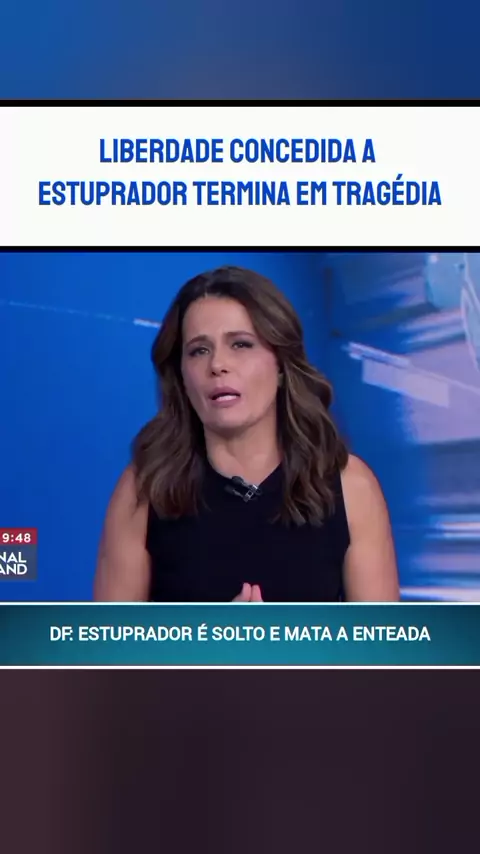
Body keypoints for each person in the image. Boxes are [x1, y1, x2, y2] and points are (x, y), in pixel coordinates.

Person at [94, 265, 399, 602]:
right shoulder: (144, 489)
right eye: (199, 350)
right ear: (180, 375)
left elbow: (382, 637)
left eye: (240, 344)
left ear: (280, 364)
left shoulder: (351, 487)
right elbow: (107, 637)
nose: (217, 365)